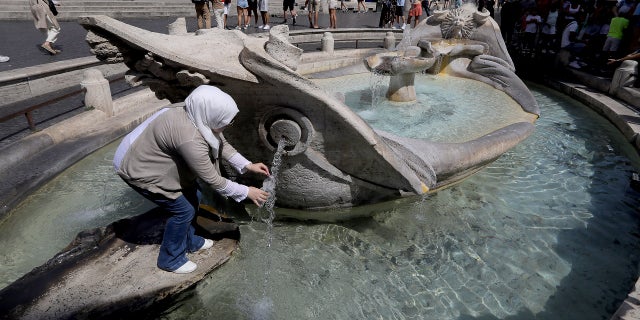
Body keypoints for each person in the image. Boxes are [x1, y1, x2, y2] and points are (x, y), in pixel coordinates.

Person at [113, 85, 271, 274]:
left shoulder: (196, 112)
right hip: (136, 167)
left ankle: (190, 241)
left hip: (144, 152)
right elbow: (212, 179)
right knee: (183, 210)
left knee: (194, 193)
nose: (229, 125)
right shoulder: (189, 139)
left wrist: (247, 165)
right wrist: (247, 192)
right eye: (225, 121)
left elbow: (220, 141)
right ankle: (171, 259)